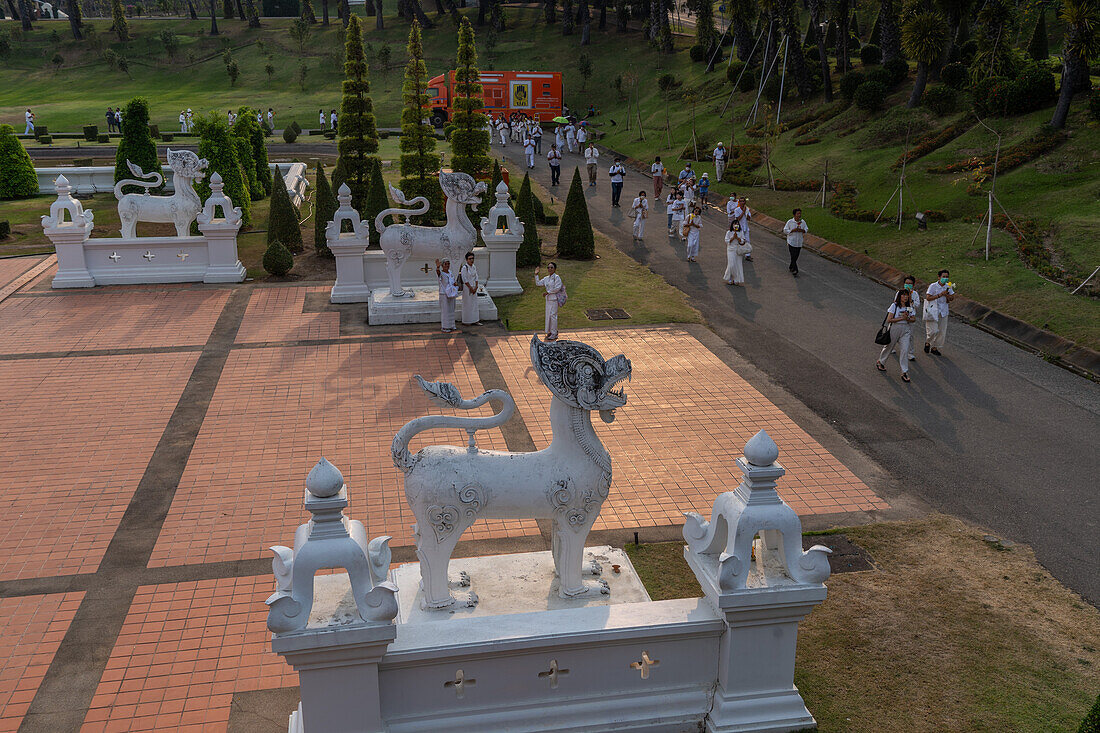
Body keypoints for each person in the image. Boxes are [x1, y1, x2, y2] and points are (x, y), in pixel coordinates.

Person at [876, 290, 917, 382]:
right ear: (899, 296)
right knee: (889, 347)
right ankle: (881, 362)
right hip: (894, 328)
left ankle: (904, 372)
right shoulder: (894, 306)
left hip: (905, 330)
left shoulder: (910, 307)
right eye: (903, 295)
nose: (905, 297)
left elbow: (914, 319)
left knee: (905, 350)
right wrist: (902, 318)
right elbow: (889, 320)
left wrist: (908, 319)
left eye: (907, 295)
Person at [923, 269, 955, 356]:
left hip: (943, 311)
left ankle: (935, 347)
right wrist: (940, 295)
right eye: (943, 277)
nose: (945, 278)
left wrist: (947, 295)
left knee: (941, 331)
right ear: (939, 277)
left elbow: (952, 298)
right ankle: (928, 342)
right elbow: (928, 297)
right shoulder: (933, 286)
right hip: (933, 311)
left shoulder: (948, 286)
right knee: (933, 330)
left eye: (947, 277)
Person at [535, 262, 563, 341]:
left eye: (551, 267)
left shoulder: (557, 277)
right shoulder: (546, 278)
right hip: (548, 300)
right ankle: (550, 331)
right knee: (548, 316)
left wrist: (548, 292)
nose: (549, 269)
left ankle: (554, 333)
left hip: (554, 299)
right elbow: (538, 283)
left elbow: (558, 287)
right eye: (548, 267)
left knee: (553, 316)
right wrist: (536, 275)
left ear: (554, 269)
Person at [782, 208, 808, 277]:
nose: (799, 215)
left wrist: (802, 230)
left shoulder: (802, 222)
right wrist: (792, 230)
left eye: (800, 213)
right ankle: (795, 270)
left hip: (799, 242)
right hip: (791, 242)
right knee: (793, 255)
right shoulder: (790, 222)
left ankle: (791, 266)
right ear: (794, 215)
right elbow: (785, 230)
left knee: (795, 256)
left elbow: (806, 229)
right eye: (798, 214)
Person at [435, 258, 459, 333]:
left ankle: (451, 325)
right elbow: (438, 273)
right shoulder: (441, 273)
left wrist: (455, 284)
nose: (447, 265)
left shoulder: (450, 272)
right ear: (442, 265)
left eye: (448, 264)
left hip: (451, 293)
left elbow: (453, 281)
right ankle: (445, 327)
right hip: (444, 293)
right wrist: (438, 267)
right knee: (445, 310)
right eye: (445, 264)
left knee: (451, 309)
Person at [459, 252, 481, 326]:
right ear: (466, 260)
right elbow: (464, 279)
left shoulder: (474, 266)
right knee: (467, 304)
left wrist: (476, 286)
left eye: (472, 258)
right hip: (467, 288)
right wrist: (470, 288)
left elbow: (476, 277)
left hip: (474, 287)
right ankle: (467, 321)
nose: (471, 260)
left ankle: (475, 320)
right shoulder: (465, 268)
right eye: (470, 259)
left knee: (474, 304)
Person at [735, 196, 753, 261]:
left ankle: (747, 255)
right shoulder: (737, 210)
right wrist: (743, 212)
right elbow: (738, 218)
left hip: (746, 227)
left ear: (745, 202)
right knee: (739, 241)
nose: (742, 202)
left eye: (743, 201)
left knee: (747, 241)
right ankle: (737, 253)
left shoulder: (747, 209)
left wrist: (746, 213)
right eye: (741, 201)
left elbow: (749, 219)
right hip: (739, 228)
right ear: (739, 202)